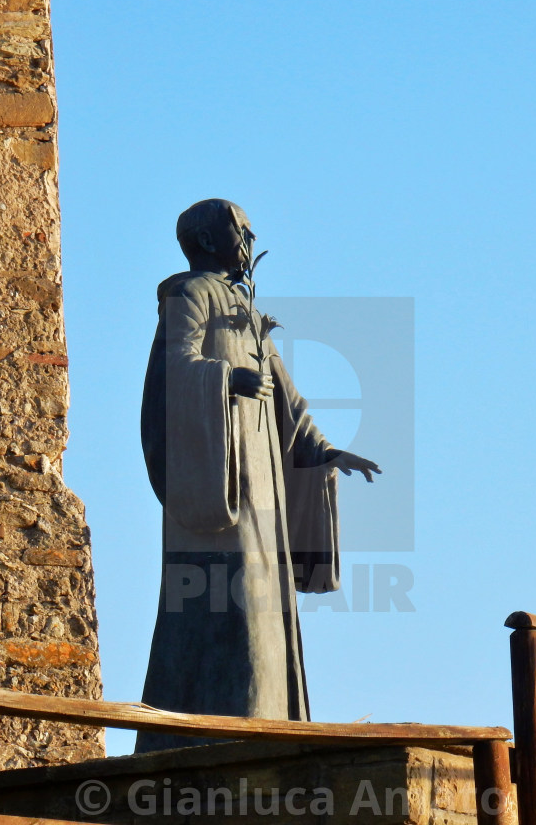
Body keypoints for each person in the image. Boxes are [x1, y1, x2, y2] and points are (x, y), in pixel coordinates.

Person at [136, 199, 379, 753]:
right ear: (204, 239)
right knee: (229, 605)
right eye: (239, 229)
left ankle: (270, 730)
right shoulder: (189, 295)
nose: (250, 238)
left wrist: (323, 452)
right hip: (221, 485)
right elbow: (173, 369)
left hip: (264, 488)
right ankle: (209, 737)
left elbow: (289, 401)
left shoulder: (245, 311)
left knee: (265, 608)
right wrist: (226, 379)